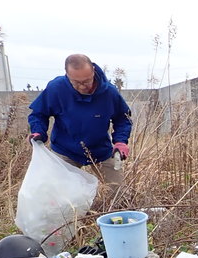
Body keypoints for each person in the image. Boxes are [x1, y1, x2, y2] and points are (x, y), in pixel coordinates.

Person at [28, 54, 132, 192]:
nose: (83, 87)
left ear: (93, 71)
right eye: (77, 82)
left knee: (119, 192)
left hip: (100, 149)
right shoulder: (56, 89)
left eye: (87, 81)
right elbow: (39, 113)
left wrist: (120, 141)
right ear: (67, 75)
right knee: (60, 195)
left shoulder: (109, 93)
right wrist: (38, 131)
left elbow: (123, 118)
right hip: (66, 149)